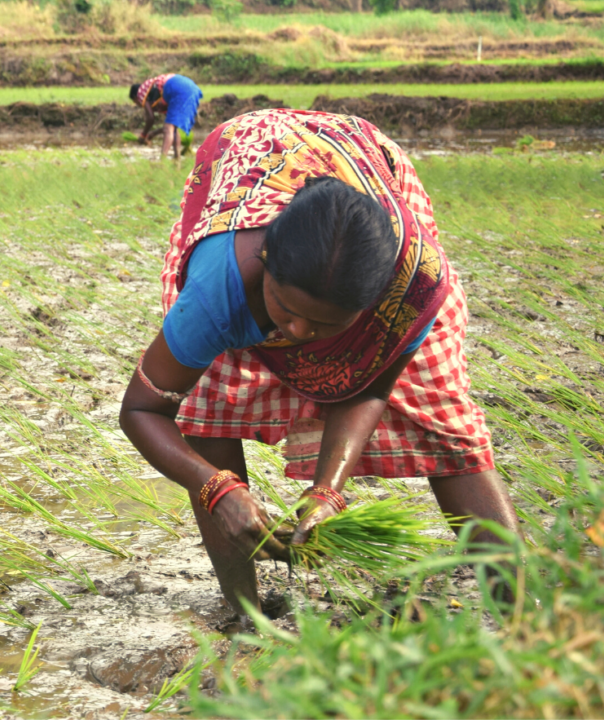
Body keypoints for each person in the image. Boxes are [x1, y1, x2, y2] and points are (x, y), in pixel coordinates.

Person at [118, 108, 518, 616]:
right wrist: (215, 488)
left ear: (373, 303)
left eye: (327, 325)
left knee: (445, 425)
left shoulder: (413, 282)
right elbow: (143, 409)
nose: (300, 334)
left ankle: (518, 619)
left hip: (364, 166)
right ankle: (247, 617)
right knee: (209, 406)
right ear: (265, 266)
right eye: (286, 310)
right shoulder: (220, 286)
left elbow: (371, 388)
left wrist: (328, 491)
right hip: (243, 162)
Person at [130, 74, 203, 159]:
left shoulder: (141, 92)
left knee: (168, 129)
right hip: (192, 88)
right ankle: (177, 158)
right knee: (172, 128)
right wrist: (153, 134)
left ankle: (162, 161)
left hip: (175, 86)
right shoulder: (158, 97)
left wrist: (143, 135)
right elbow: (172, 128)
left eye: (135, 102)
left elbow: (150, 118)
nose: (138, 105)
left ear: (135, 98)